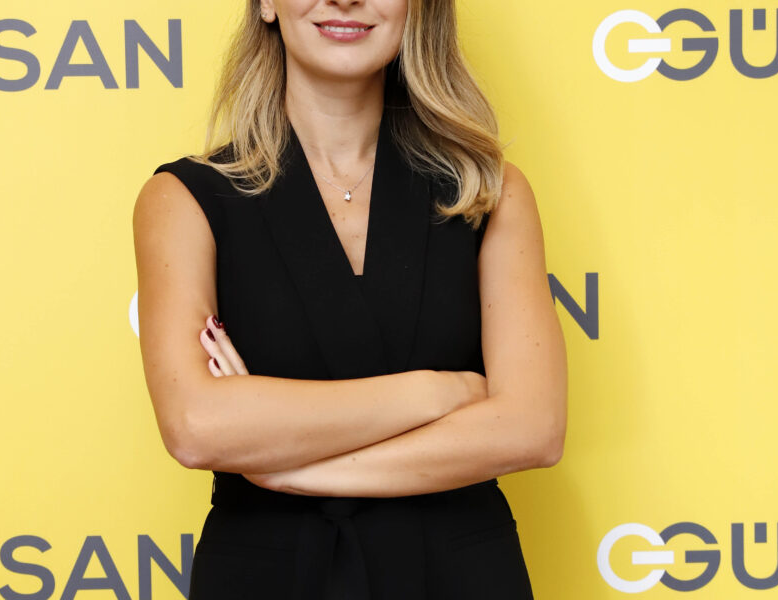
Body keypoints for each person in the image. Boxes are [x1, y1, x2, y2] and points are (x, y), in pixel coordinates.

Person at [132, 0, 567, 598]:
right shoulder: (182, 198)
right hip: (266, 576)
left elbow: (531, 429)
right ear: (266, 4)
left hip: (459, 574)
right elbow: (197, 426)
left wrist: (288, 470)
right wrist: (438, 392)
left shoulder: (486, 189)